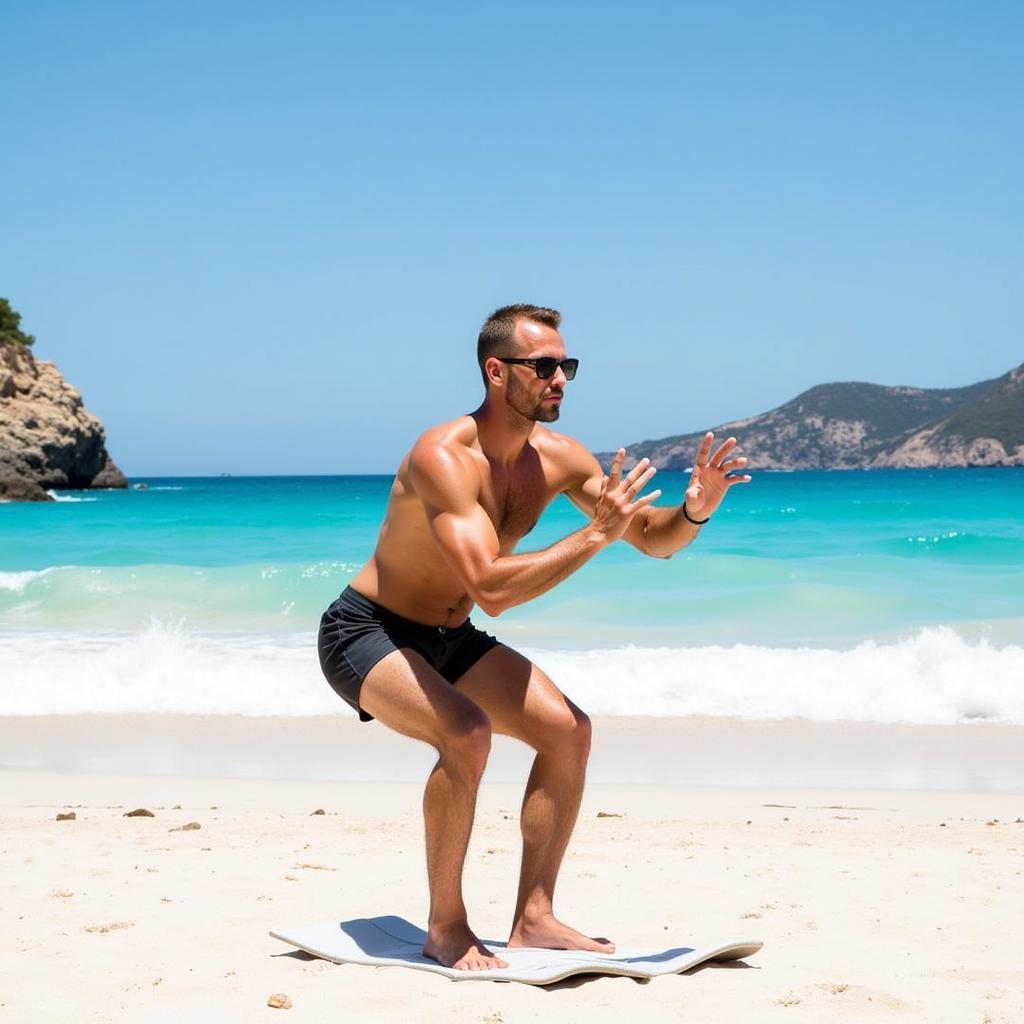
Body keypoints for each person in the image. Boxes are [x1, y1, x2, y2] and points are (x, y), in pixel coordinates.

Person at [317, 303, 750, 971]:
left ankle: (534, 917)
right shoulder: (444, 457)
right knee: (465, 731)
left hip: (449, 634)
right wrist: (593, 535)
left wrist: (694, 509)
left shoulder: (559, 458)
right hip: (366, 630)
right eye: (544, 366)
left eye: (567, 366)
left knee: (568, 730)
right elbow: (492, 586)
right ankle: (446, 925)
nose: (561, 380)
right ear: (496, 372)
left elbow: (651, 542)